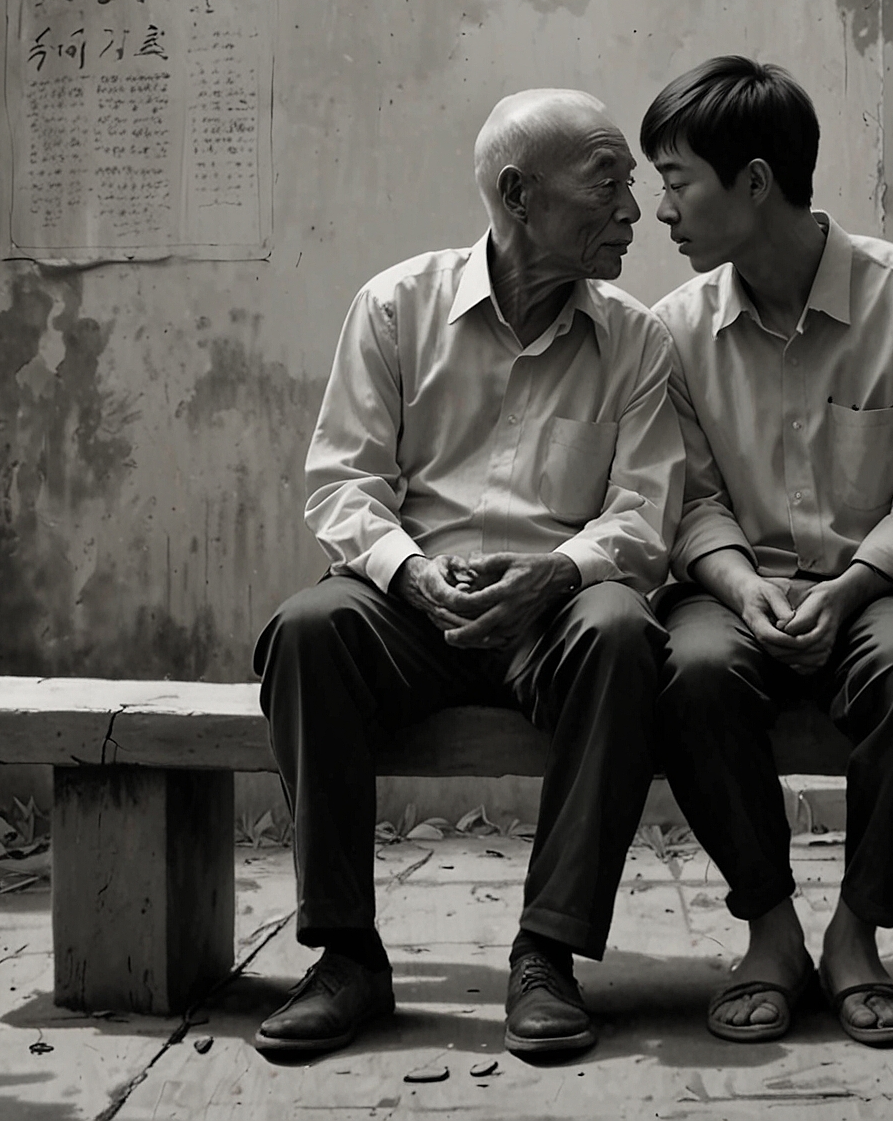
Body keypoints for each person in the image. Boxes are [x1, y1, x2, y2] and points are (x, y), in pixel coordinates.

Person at [251, 88, 684, 1060]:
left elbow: (643, 516)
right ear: (518, 194)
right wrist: (408, 575)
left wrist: (555, 573)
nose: (631, 214)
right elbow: (343, 486)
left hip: (555, 621)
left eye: (633, 187)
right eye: (606, 185)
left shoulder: (636, 337)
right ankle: (347, 955)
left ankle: (547, 954)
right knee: (306, 630)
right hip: (414, 611)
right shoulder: (395, 307)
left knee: (624, 632)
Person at [644, 56, 893, 1048]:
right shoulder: (674, 333)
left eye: (677, 180)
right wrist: (743, 584)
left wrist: (844, 593)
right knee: (690, 669)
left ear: (753, 182)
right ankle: (768, 932)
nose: (660, 209)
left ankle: (855, 934)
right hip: (735, 585)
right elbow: (687, 500)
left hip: (886, 587)